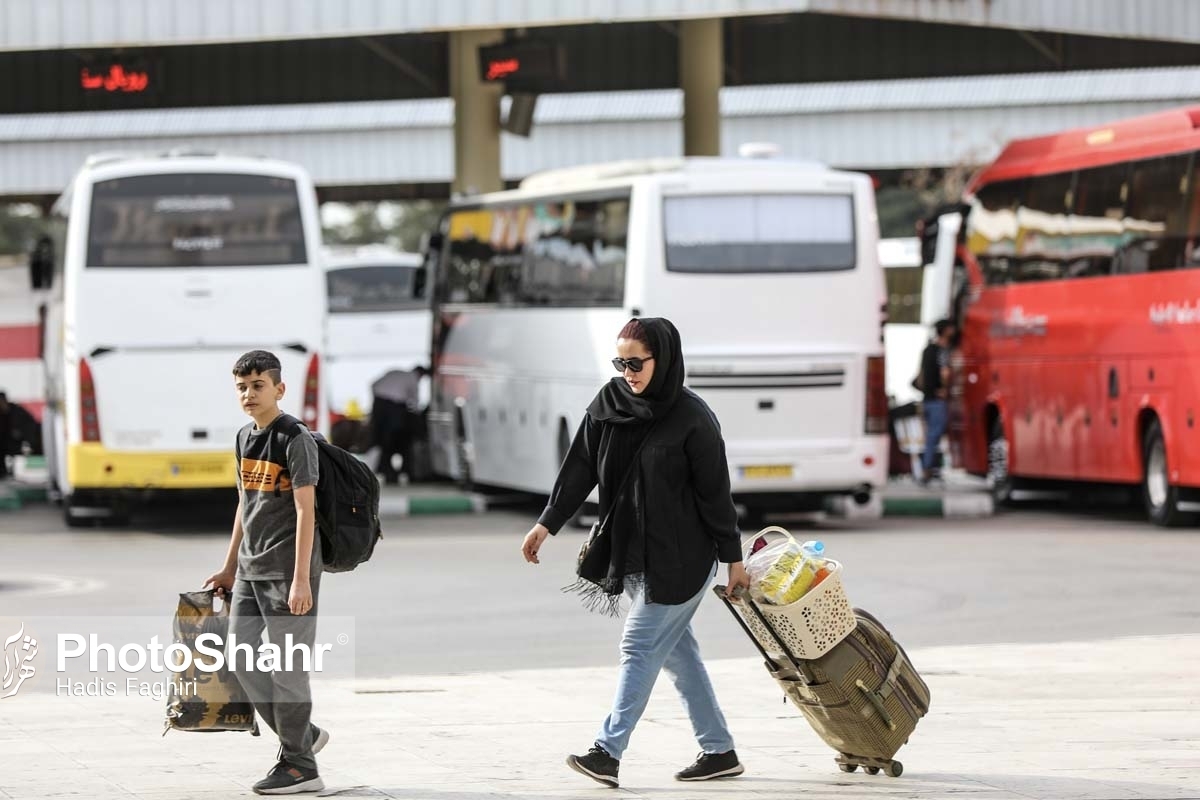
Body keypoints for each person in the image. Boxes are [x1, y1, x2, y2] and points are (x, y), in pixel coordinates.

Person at [521, 317, 751, 789]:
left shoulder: (694, 419)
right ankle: (719, 750)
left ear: (662, 360)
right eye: (620, 362)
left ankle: (607, 752)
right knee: (676, 653)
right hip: (633, 553)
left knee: (639, 645)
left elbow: (715, 496)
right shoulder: (609, 403)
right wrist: (548, 522)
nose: (628, 372)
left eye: (636, 362)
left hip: (685, 557)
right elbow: (579, 467)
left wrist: (734, 560)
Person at [204, 350, 328, 796]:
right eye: (242, 387)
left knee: (287, 670)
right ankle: (305, 738)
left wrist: (300, 579)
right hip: (251, 571)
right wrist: (228, 565)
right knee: (240, 658)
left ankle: (301, 766)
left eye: (258, 386)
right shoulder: (242, 437)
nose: (249, 394)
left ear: (279, 388)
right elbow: (245, 504)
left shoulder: (294, 438)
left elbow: (305, 508)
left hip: (288, 571)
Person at [919, 319, 955, 483]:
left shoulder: (927, 350)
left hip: (926, 399)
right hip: (937, 400)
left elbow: (920, 376)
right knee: (935, 436)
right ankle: (928, 469)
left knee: (930, 437)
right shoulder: (942, 352)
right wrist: (945, 390)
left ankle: (931, 468)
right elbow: (945, 373)